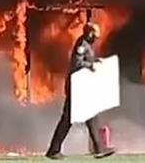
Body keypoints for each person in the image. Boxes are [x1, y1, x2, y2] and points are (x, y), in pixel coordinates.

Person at [45, 23, 116, 160]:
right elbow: (77, 64)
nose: (96, 39)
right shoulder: (82, 45)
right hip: (76, 88)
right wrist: (90, 65)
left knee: (87, 117)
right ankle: (54, 150)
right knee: (69, 120)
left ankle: (98, 148)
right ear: (90, 33)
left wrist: (96, 61)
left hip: (81, 88)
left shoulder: (87, 45)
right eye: (95, 36)